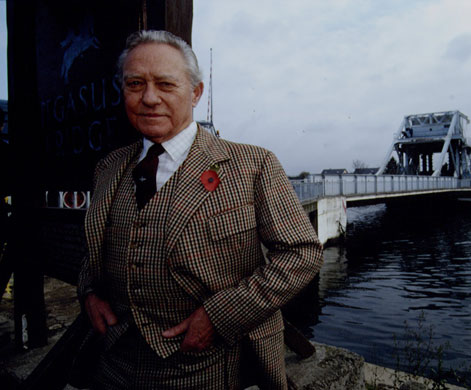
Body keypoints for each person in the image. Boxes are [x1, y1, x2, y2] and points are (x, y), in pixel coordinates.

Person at [77, 30, 323, 390]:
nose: (149, 98)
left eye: (165, 84)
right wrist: (89, 292)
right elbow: (93, 244)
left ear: (195, 93)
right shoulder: (108, 168)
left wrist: (221, 316)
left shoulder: (253, 165)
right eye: (135, 84)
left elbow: (302, 253)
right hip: (113, 365)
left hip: (208, 369)